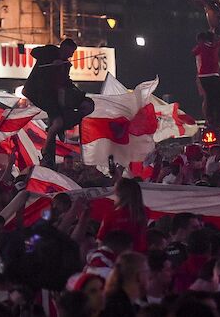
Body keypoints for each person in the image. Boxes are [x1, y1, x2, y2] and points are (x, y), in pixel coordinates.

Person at [22, 39, 94, 169]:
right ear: (64, 48)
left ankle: (59, 128)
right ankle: (48, 147)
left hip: (55, 96)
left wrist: (77, 92)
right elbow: (34, 52)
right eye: (70, 52)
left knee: (87, 106)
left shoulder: (66, 65)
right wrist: (52, 61)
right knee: (58, 122)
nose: (71, 56)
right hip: (39, 93)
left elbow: (65, 82)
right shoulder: (51, 50)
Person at [96, 178, 148, 252]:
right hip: (139, 257)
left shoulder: (112, 215)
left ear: (118, 193)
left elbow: (100, 240)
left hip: (117, 258)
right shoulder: (145, 212)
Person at [192, 32, 220, 125]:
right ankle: (214, 117)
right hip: (210, 75)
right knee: (215, 97)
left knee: (209, 97)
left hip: (204, 76)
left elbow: (194, 52)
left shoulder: (203, 47)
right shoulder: (210, 46)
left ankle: (211, 117)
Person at [101, 252, 149, 316]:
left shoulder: (131, 304)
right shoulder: (117, 308)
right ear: (139, 276)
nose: (149, 276)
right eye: (147, 271)